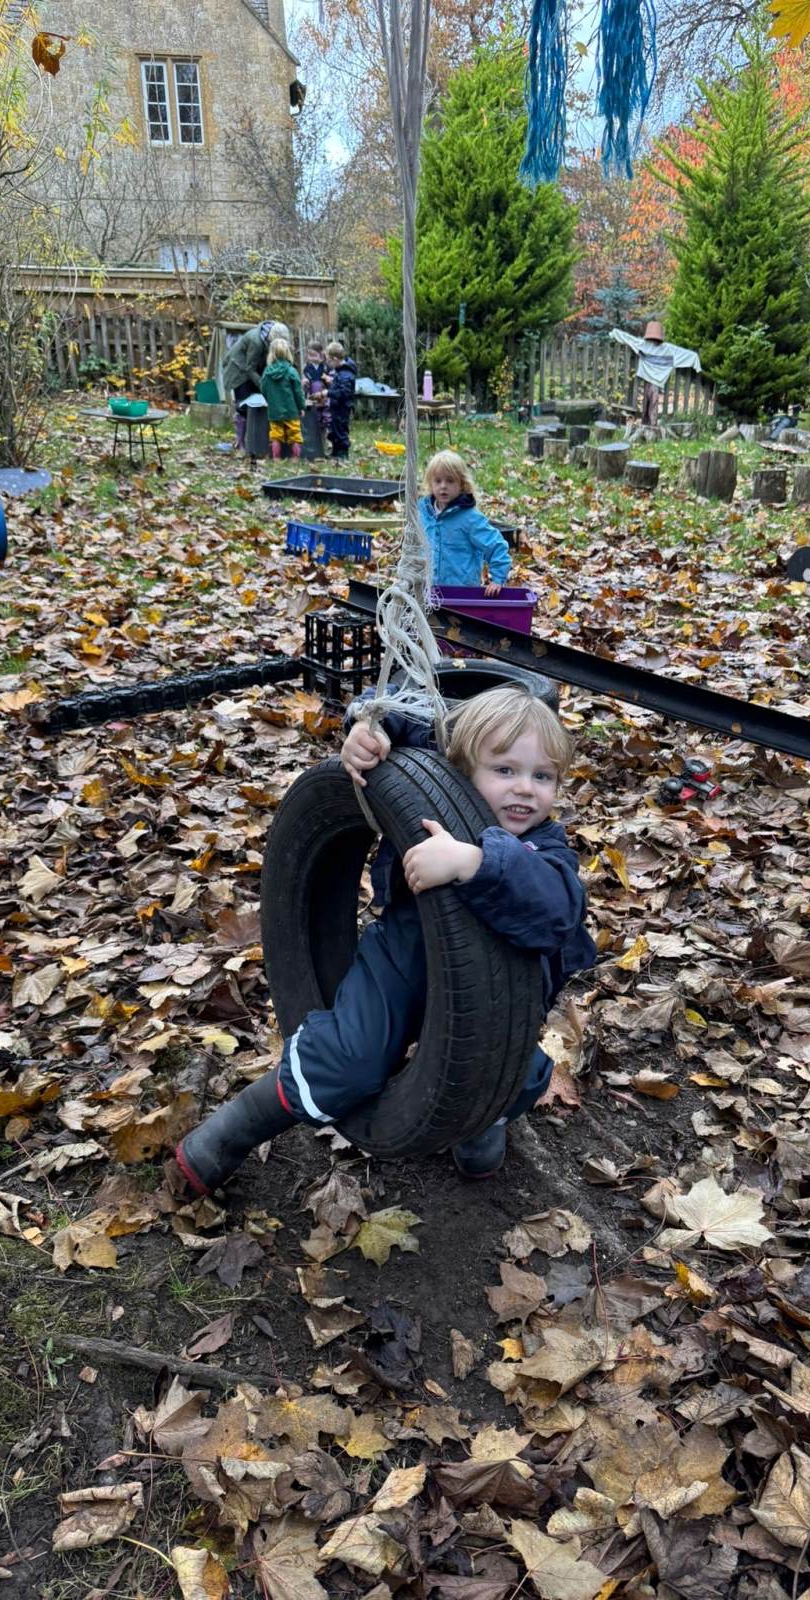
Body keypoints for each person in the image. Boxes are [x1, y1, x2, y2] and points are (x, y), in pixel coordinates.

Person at [173, 685, 596, 1194]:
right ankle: (240, 1125)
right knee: (348, 1057)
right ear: (459, 768)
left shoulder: (545, 849)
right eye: (505, 770)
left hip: (496, 998)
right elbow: (406, 711)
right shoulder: (431, 797)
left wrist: (478, 863)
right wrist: (368, 729)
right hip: (403, 958)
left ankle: (481, 1121)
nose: (525, 789)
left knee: (515, 1074)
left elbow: (559, 910)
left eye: (542, 776)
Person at [421, 450, 511, 595]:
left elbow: (495, 545)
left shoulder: (470, 518)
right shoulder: (423, 512)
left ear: (462, 484)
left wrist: (498, 579)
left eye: (450, 481)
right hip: (426, 591)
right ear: (430, 484)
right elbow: (412, 544)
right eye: (438, 481)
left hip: (461, 593)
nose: (443, 486)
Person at [609, 320, 701, 427]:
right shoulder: (644, 345)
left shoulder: (668, 349)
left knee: (652, 403)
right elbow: (629, 339)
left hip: (656, 382)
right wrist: (615, 333)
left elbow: (685, 354)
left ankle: (651, 426)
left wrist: (695, 360)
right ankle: (646, 425)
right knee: (647, 403)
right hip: (648, 380)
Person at [222, 319, 290, 449]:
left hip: (254, 369)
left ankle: (258, 440)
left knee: (261, 404)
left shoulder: (275, 333)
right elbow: (250, 368)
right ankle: (241, 443)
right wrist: (264, 386)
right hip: (239, 369)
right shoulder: (256, 342)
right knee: (244, 406)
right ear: (272, 340)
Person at [261, 336, 307, 459]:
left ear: (271, 354)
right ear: (287, 353)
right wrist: (301, 407)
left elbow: (263, 389)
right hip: (291, 410)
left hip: (274, 410)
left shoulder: (267, 372)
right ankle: (295, 458)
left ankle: (276, 458)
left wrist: (270, 401)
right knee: (295, 434)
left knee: (275, 435)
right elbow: (298, 391)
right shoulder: (291, 371)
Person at [324, 340, 357, 458]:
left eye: (329, 361)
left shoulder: (345, 374)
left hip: (342, 408)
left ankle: (343, 454)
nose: (328, 364)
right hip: (336, 407)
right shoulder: (341, 372)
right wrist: (333, 381)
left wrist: (328, 392)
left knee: (340, 431)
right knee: (334, 430)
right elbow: (341, 385)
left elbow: (344, 393)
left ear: (335, 359)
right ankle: (335, 452)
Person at [303, 342, 328, 406]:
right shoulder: (307, 368)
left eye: (314, 355)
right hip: (312, 397)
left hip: (324, 396)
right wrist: (305, 383)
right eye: (309, 355)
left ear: (321, 354)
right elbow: (306, 384)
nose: (311, 358)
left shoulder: (326, 367)